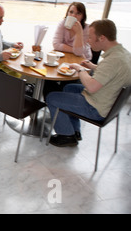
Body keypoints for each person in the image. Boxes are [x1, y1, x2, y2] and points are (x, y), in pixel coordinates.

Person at [46, 19, 131, 147]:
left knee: (52, 97)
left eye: (90, 38)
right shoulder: (123, 54)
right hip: (109, 101)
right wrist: (93, 66)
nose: (88, 41)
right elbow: (113, 73)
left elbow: (91, 87)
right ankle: (75, 131)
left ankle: (66, 136)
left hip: (97, 108)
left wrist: (80, 69)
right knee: (69, 87)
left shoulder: (112, 61)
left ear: (102, 38)